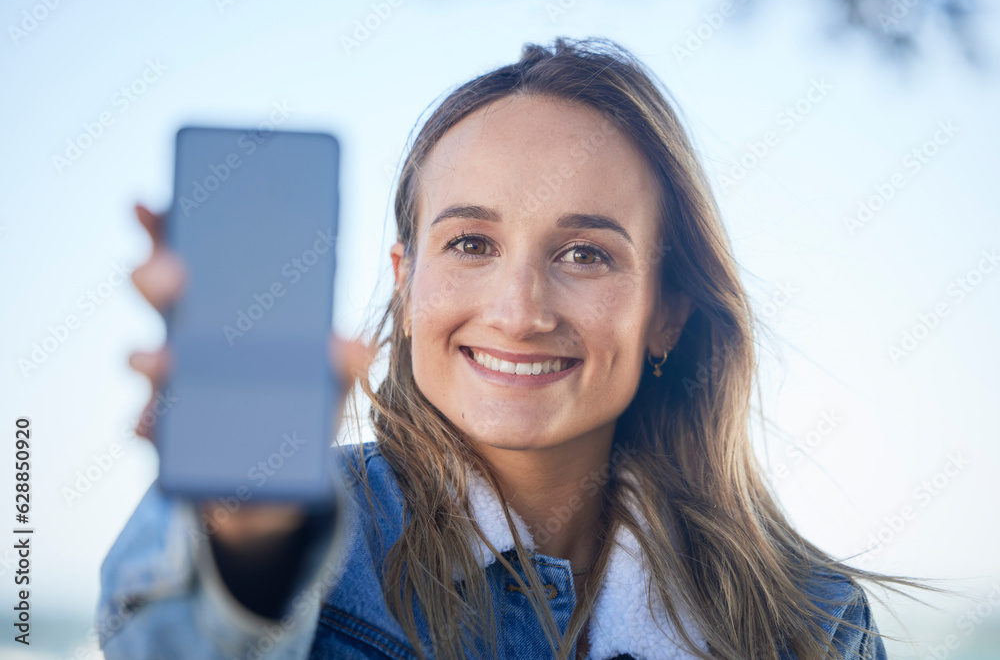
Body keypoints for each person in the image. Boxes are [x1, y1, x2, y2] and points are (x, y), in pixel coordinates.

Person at [99, 37, 921, 659]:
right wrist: (252, 541)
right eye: (470, 244)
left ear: (667, 312)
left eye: (585, 254)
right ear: (406, 283)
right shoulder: (309, 541)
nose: (520, 311)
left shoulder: (815, 620)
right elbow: (179, 635)